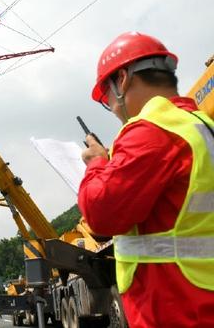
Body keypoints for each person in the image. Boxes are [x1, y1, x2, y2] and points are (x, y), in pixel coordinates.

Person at [78, 31, 214, 327]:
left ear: (122, 80)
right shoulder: (201, 126)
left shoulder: (150, 132)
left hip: (174, 306)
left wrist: (97, 163)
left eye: (106, 98)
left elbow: (102, 215)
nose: (112, 108)